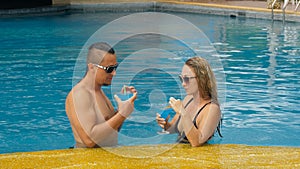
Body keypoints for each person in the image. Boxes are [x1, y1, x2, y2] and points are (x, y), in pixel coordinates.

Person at [65, 42, 137, 148]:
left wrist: (123, 107)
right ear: (92, 67)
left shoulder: (99, 92)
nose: (114, 73)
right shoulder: (80, 95)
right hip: (87, 161)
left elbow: (112, 130)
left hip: (105, 156)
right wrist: (121, 114)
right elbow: (89, 140)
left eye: (115, 67)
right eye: (109, 69)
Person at [156, 56, 222, 147]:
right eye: (181, 79)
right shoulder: (188, 99)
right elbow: (174, 129)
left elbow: (197, 142)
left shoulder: (212, 109)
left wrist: (183, 112)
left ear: (201, 79)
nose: (183, 84)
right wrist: (165, 124)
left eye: (187, 79)